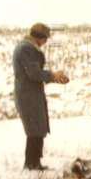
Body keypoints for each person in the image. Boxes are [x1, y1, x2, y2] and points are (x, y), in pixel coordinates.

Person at [12, 23, 69, 171]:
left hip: (31, 93)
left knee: (37, 127)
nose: (46, 42)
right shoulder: (27, 49)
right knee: (34, 128)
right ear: (40, 37)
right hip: (28, 95)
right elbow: (34, 73)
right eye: (45, 39)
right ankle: (32, 164)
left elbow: (34, 73)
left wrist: (54, 77)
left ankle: (34, 162)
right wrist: (53, 75)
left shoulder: (26, 47)